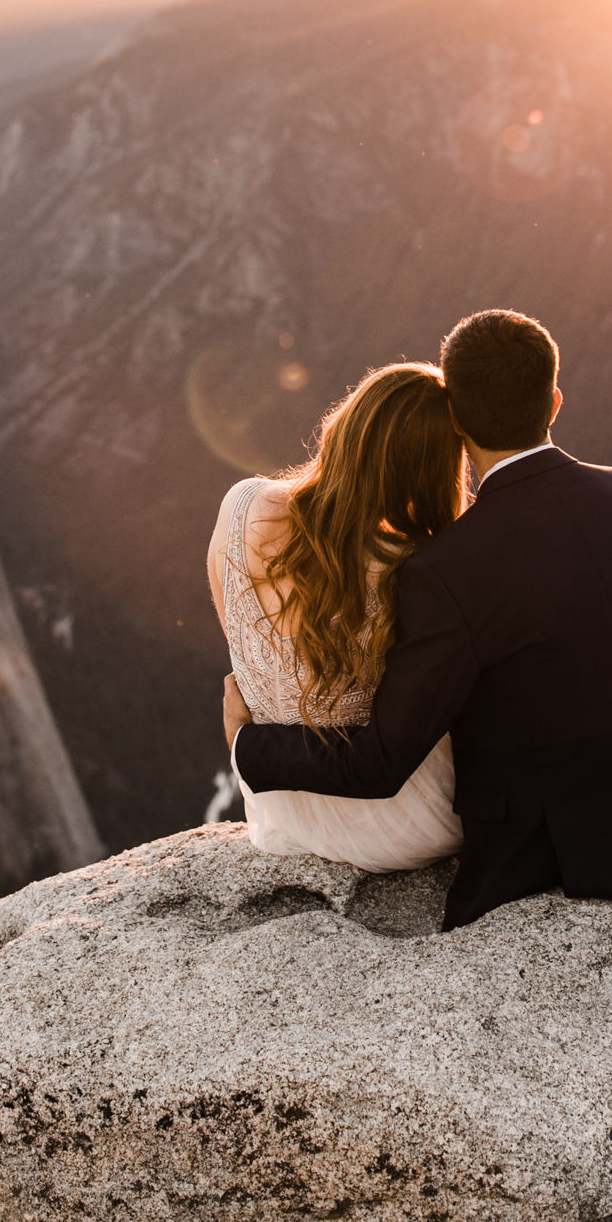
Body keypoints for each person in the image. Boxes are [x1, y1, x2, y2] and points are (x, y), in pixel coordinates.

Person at [228, 307, 612, 929]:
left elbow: (380, 761)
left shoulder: (445, 569)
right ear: (553, 402)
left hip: (561, 854)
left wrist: (248, 742)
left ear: (455, 418)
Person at [207, 360, 466, 868]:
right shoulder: (411, 569)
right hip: (408, 822)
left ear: (345, 427)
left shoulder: (242, 506)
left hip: (282, 807)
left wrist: (244, 738)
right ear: (433, 471)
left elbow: (242, 646)